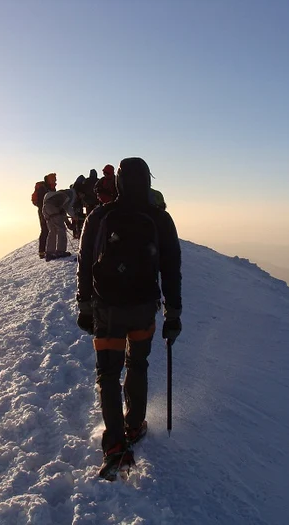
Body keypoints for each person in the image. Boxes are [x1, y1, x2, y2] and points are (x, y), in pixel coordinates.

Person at [76, 157, 182, 480]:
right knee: (138, 363)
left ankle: (115, 448)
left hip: (108, 309)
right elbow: (171, 269)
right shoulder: (159, 219)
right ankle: (134, 425)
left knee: (108, 374)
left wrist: (84, 306)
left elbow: (84, 260)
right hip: (143, 309)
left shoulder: (100, 215)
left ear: (119, 182)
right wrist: (173, 314)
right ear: (147, 182)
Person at [42, 188, 76, 261]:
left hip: (45, 209)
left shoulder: (57, 195)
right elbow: (68, 209)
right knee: (61, 230)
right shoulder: (66, 197)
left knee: (52, 230)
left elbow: (62, 214)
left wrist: (67, 222)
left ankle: (49, 252)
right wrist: (74, 216)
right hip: (53, 208)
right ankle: (60, 251)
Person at [32, 173, 57, 258]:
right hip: (43, 211)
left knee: (48, 229)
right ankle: (42, 251)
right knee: (45, 229)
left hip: (48, 211)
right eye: (54, 179)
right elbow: (40, 202)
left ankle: (45, 250)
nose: (55, 180)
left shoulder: (50, 188)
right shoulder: (43, 188)